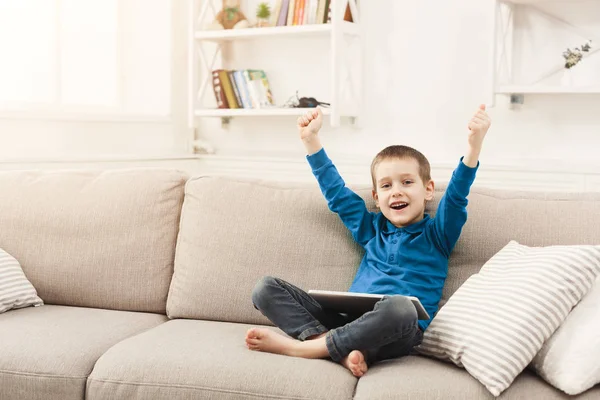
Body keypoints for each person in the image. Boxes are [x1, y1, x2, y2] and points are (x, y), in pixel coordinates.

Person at [245, 105, 492, 377]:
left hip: (399, 330)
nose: (396, 192)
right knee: (265, 288)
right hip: (348, 323)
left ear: (428, 190)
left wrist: (474, 146)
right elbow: (337, 195)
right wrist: (310, 140)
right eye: (386, 186)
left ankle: (306, 349)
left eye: (407, 182)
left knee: (401, 306)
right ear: (376, 198)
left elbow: (457, 195)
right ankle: (337, 352)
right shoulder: (371, 229)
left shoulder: (438, 234)